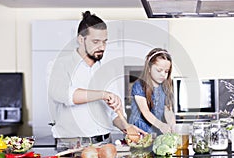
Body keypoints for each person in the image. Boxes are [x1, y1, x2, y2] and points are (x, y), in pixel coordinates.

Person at [47, 11, 145, 145]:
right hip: (72, 146)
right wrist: (103, 94)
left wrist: (125, 126)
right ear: (81, 40)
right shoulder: (59, 65)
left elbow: (113, 113)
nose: (102, 47)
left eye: (105, 42)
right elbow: (64, 95)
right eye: (96, 41)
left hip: (105, 144)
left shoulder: (108, 70)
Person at [129, 48, 176, 135]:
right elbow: (145, 112)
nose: (163, 74)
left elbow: (168, 111)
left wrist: (173, 126)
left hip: (155, 131)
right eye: (159, 70)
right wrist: (161, 126)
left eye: (166, 71)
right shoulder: (139, 85)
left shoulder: (166, 87)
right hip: (139, 132)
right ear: (149, 68)